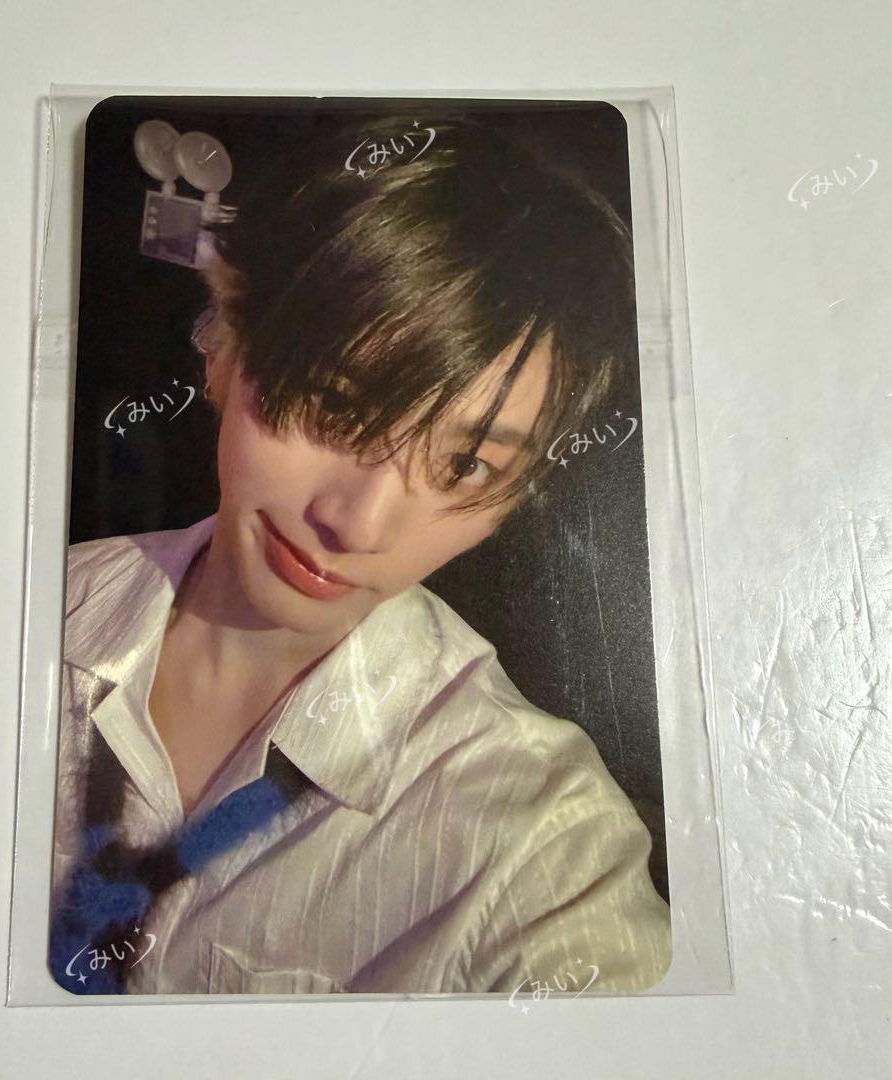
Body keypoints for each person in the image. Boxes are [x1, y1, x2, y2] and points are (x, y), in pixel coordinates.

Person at [48, 113, 671, 996]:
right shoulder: (24, 616)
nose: (360, 524)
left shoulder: (539, 838)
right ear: (225, 345)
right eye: (337, 406)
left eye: (465, 465)